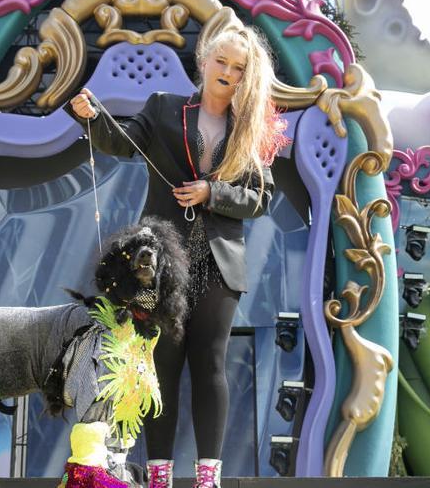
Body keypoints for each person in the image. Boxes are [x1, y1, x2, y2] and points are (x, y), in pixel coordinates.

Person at [66, 26, 288, 488]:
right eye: (221, 62)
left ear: (247, 77)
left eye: (238, 68)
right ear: (203, 60)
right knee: (160, 362)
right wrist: (91, 118)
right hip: (160, 260)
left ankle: (209, 477)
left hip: (219, 260)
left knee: (210, 363)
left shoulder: (251, 126)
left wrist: (213, 192)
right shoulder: (165, 107)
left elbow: (260, 198)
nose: (227, 73)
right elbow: (122, 143)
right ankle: (160, 474)